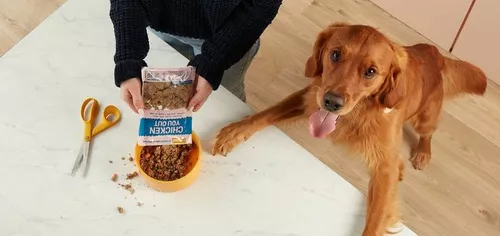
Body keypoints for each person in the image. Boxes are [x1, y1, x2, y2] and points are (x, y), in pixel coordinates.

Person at [109, 0, 283, 113]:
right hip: (159, 24)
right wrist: (128, 53)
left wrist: (214, 59)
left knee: (229, 98)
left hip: (230, 33)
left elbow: (262, 5)